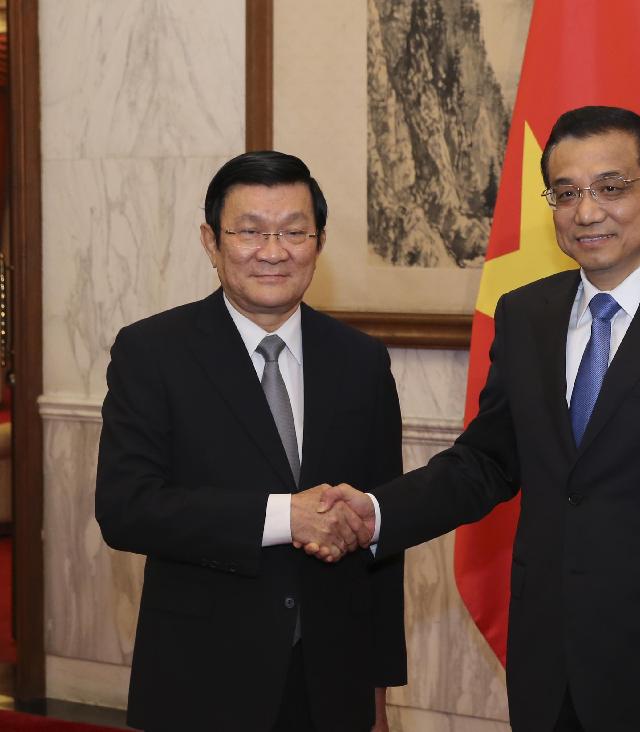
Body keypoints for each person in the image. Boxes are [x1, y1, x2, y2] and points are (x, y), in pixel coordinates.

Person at [315, 107, 640, 732]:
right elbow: (487, 461)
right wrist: (376, 514)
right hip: (549, 668)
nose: (586, 211)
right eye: (566, 193)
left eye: (610, 187)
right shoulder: (526, 314)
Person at [95, 151, 406, 732]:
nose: (272, 251)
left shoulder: (361, 360)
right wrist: (286, 517)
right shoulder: (152, 352)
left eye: (294, 231)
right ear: (211, 241)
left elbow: (379, 539)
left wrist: (378, 693)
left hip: (332, 681)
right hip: (201, 677)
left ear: (318, 241)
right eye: (249, 231)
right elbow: (126, 509)